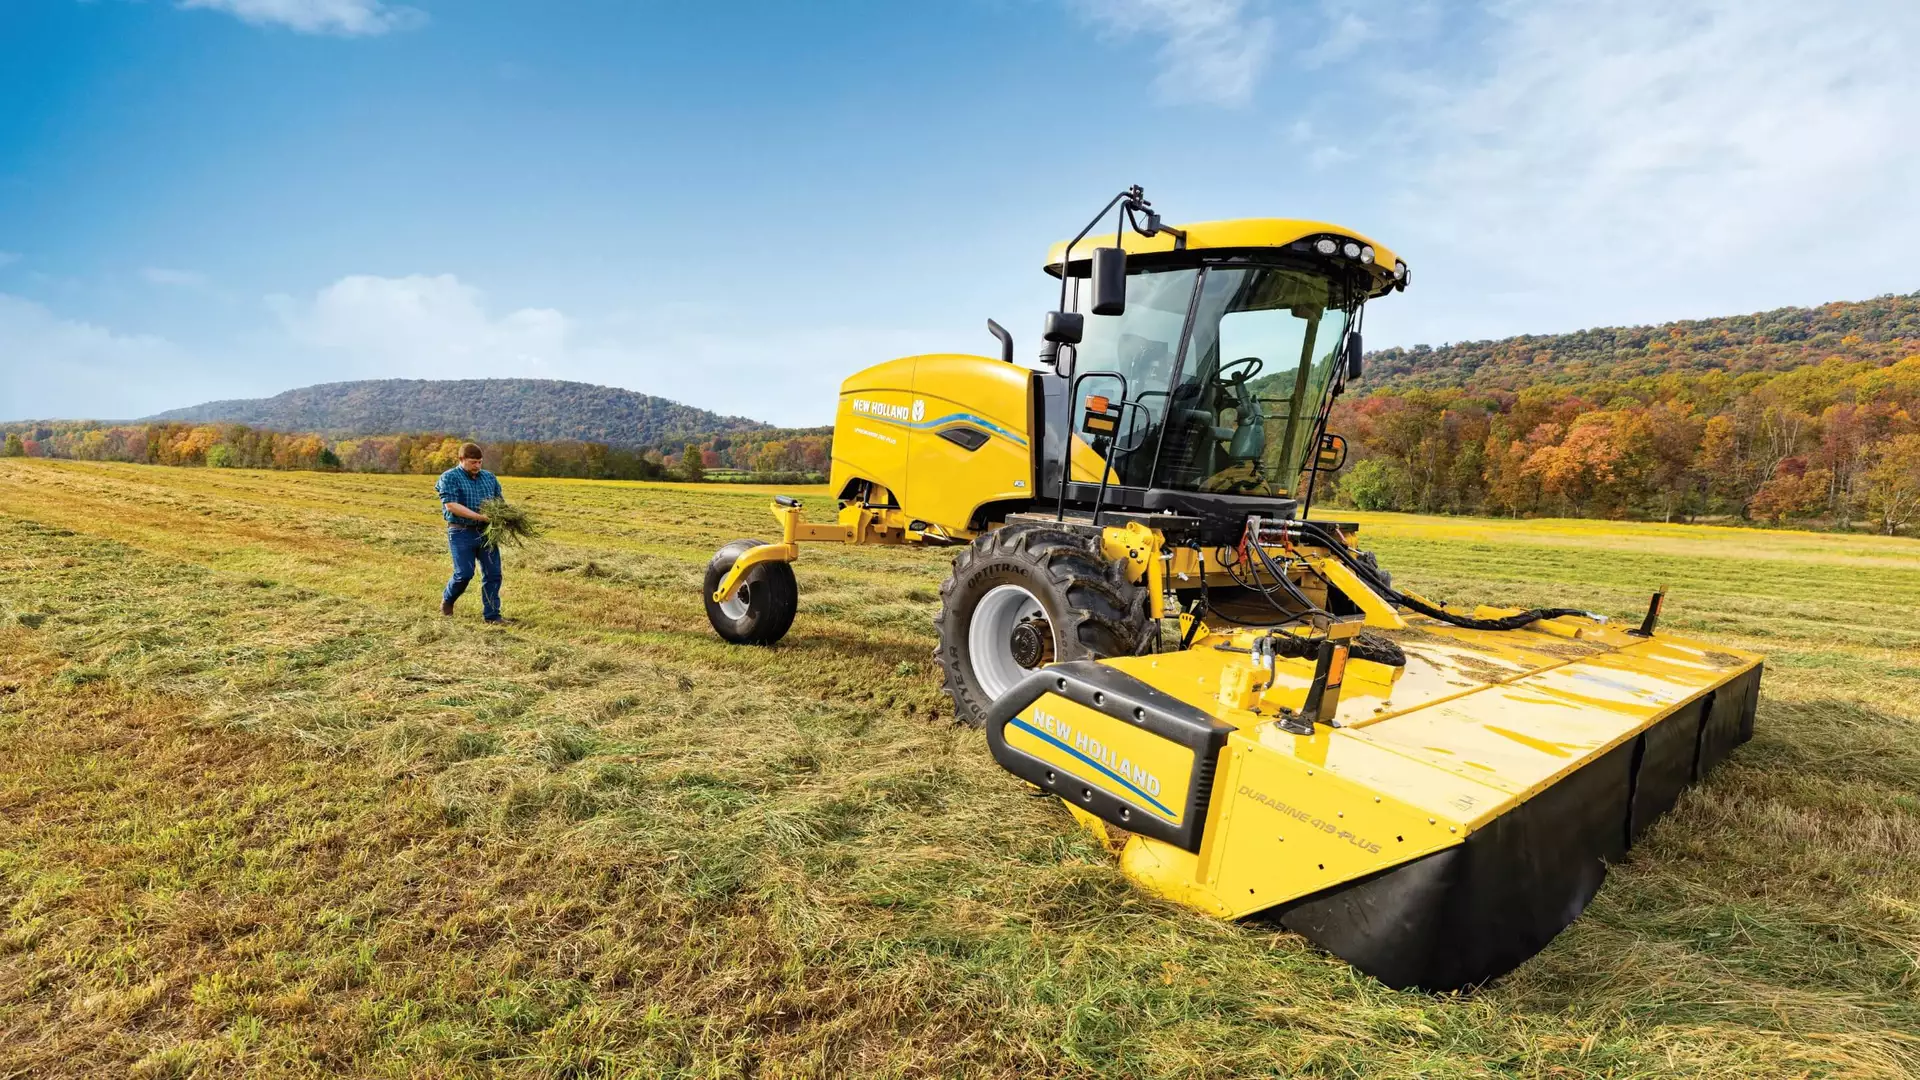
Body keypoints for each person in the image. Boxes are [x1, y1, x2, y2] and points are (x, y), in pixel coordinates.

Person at [436, 443, 506, 623]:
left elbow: (499, 503)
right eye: (473, 462)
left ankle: (492, 616)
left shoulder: (489, 478)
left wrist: (505, 516)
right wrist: (480, 517)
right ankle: (448, 600)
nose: (477, 466)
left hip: (486, 533)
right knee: (464, 574)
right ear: (461, 460)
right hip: (461, 532)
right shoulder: (450, 477)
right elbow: (451, 505)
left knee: (493, 574)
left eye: (480, 462)